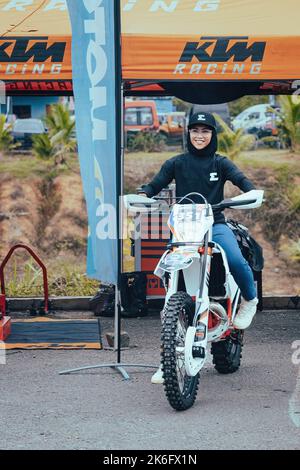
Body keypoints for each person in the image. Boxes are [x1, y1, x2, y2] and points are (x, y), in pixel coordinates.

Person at [139, 111, 260, 384]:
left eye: (205, 131)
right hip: (184, 229)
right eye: (195, 130)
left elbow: (245, 184)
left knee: (237, 259)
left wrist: (251, 194)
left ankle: (250, 300)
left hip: (214, 225)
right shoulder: (177, 163)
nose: (200, 135)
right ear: (188, 134)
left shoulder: (221, 162)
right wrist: (143, 194)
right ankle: (168, 359)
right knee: (170, 276)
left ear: (213, 134)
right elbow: (155, 185)